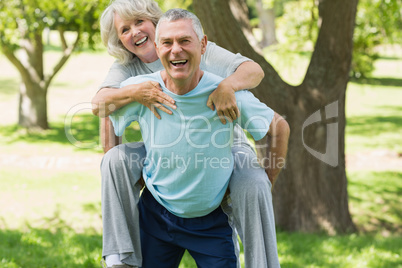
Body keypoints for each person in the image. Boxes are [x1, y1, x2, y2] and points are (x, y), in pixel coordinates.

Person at [92, 0, 289, 267]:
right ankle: (120, 257)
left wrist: (226, 87)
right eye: (124, 29)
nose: (134, 32)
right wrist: (133, 173)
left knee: (255, 184)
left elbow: (255, 73)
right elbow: (102, 107)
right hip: (161, 164)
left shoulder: (202, 52)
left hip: (226, 142)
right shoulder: (128, 72)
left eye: (139, 22)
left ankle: (261, 263)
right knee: (114, 160)